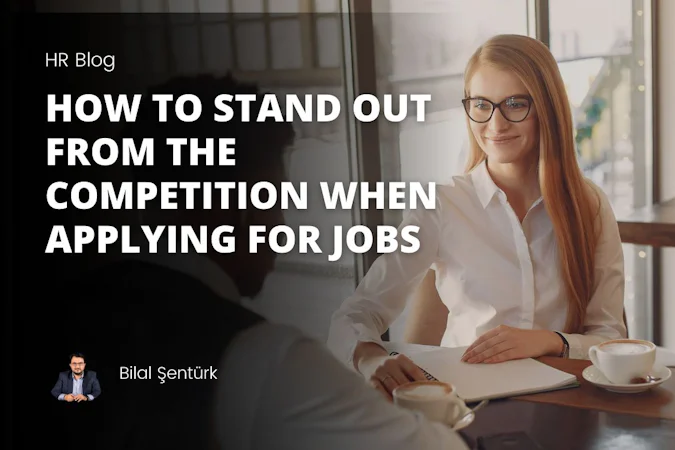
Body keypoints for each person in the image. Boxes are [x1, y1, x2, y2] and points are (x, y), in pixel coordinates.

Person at [41, 74, 469, 450]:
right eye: (272, 198)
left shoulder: (58, 310)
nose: (281, 221)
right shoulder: (266, 359)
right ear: (232, 206)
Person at [328, 34, 626, 400]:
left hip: (569, 403)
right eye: (481, 104)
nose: (495, 124)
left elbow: (610, 338)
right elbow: (354, 315)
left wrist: (548, 342)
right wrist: (371, 357)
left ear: (547, 109)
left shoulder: (590, 206)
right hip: (466, 404)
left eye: (515, 104)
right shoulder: (440, 206)